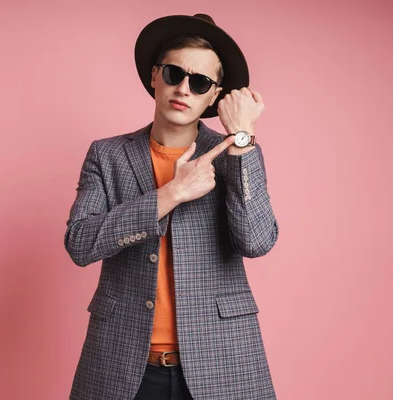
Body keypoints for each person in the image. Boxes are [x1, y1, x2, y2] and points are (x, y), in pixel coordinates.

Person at [64, 13, 279, 400]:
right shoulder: (108, 155)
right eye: (173, 73)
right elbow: (79, 242)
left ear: (214, 96)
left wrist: (242, 139)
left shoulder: (237, 153)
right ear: (153, 76)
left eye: (199, 83)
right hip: (122, 362)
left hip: (222, 359)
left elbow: (257, 240)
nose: (184, 88)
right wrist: (171, 194)